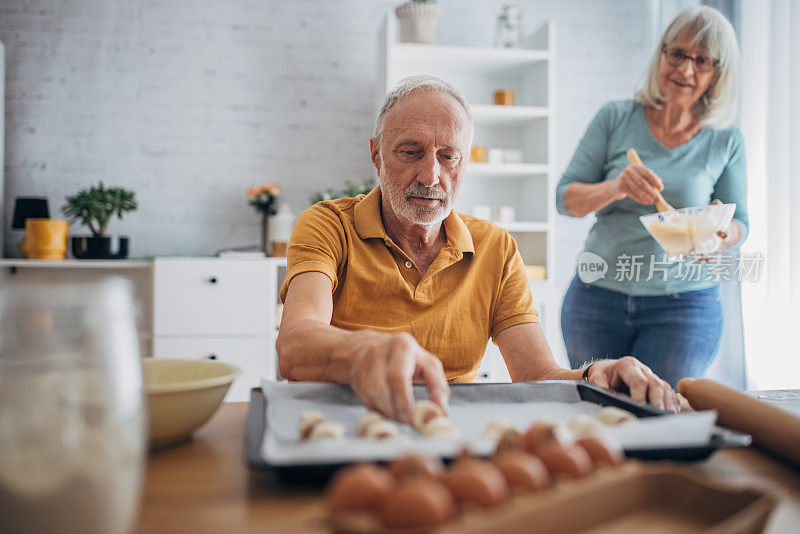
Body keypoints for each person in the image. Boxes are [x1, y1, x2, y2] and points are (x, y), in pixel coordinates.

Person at [277, 75, 679, 424]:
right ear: (377, 155)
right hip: (342, 422)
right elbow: (294, 346)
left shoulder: (496, 247)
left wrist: (596, 375)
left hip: (447, 430)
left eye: (448, 155)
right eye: (411, 152)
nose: (431, 175)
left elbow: (537, 377)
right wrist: (366, 351)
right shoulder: (328, 224)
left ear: (464, 162)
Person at [557, 7, 748, 388]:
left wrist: (720, 234)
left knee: (661, 414)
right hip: (595, 298)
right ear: (662, 53)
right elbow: (566, 200)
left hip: (686, 305)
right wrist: (616, 186)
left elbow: (740, 220)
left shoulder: (725, 138)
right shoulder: (615, 117)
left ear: (718, 73)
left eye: (702, 61)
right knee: (602, 411)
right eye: (677, 54)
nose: (685, 70)